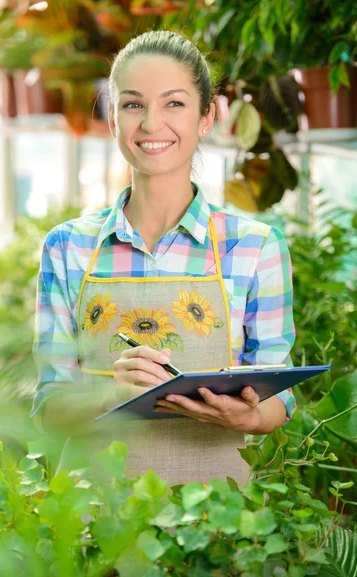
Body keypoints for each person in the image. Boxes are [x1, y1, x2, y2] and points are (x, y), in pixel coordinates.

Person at [32, 30, 296, 487]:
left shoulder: (255, 247)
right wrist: (111, 396)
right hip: (93, 519)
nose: (152, 124)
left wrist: (249, 417)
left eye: (174, 103)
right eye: (133, 104)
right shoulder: (68, 247)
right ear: (113, 119)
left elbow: (281, 396)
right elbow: (48, 408)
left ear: (206, 117)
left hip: (219, 519)